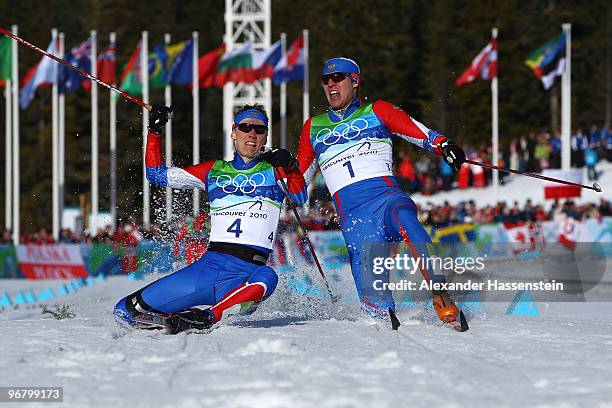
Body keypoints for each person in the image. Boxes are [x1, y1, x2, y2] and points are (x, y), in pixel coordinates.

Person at [296, 57, 468, 329]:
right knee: (378, 312)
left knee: (409, 223)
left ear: (355, 82)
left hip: (386, 198)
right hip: (354, 216)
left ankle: (440, 293)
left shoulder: (377, 110)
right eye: (326, 80)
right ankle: (384, 320)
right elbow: (297, 182)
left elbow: (419, 132)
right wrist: (280, 172)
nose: (331, 84)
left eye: (338, 78)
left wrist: (444, 145)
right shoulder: (312, 127)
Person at [114, 104, 307, 333]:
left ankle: (209, 316)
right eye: (245, 127)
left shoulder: (276, 171)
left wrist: (292, 167)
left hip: (244, 277)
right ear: (234, 132)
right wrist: (155, 132)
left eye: (259, 129)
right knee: (124, 311)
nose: (252, 134)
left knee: (268, 277)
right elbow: (156, 174)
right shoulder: (213, 170)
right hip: (206, 270)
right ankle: (177, 316)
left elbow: (300, 197)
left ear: (265, 136)